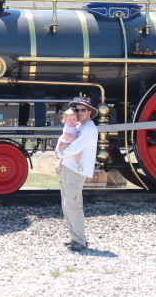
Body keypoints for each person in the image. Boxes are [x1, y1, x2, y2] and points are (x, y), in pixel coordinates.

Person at [56, 98, 98, 252]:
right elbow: (63, 138)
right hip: (69, 167)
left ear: (89, 112)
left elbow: (75, 147)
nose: (79, 113)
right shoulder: (78, 126)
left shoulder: (89, 129)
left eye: (82, 110)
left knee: (73, 205)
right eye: (77, 110)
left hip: (76, 170)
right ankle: (74, 237)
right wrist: (60, 149)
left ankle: (80, 241)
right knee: (67, 205)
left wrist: (60, 152)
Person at [55, 109, 82, 174]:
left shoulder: (74, 124)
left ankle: (59, 165)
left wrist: (80, 123)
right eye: (70, 119)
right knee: (76, 151)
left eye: (74, 119)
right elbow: (67, 136)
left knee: (66, 155)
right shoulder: (67, 127)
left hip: (70, 141)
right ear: (65, 120)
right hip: (66, 141)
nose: (72, 121)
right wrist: (75, 139)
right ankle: (77, 163)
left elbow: (78, 123)